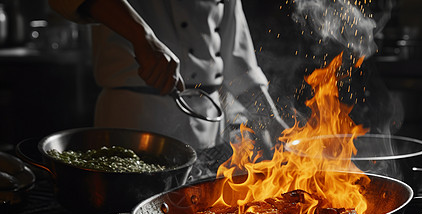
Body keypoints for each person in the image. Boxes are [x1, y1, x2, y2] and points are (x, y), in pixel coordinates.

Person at [48, 0, 288, 159]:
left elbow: (237, 61)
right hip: (134, 119)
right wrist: (142, 37)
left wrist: (271, 119)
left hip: (208, 126)